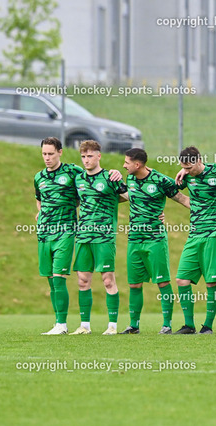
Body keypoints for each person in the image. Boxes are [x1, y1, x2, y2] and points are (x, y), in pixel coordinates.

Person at [120, 148, 190, 334]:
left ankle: (166, 325)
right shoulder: (130, 178)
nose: (124, 165)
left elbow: (182, 198)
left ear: (137, 164)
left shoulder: (160, 180)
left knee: (163, 282)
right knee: (134, 284)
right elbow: (128, 196)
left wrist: (205, 211)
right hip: (134, 239)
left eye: (127, 162)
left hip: (155, 240)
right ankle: (133, 325)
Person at [70, 140, 128, 335]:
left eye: (90, 156)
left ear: (99, 156)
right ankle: (84, 326)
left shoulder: (111, 177)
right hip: (83, 236)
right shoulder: (78, 179)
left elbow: (132, 197)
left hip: (104, 236)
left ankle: (112, 325)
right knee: (82, 281)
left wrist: (156, 213)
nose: (86, 160)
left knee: (108, 280)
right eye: (83, 157)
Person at [173, 146, 216, 335]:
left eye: (189, 167)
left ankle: (208, 326)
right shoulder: (186, 177)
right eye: (183, 167)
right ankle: (189, 325)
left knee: (211, 282)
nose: (186, 171)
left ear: (198, 161)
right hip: (194, 234)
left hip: (214, 234)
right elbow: (170, 190)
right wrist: (184, 171)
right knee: (181, 279)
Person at [35, 137, 82, 335]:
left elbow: (92, 184)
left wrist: (113, 174)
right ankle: (57, 323)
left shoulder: (73, 171)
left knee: (59, 277)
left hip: (65, 231)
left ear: (60, 152)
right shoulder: (39, 177)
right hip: (44, 233)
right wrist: (40, 213)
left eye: (51, 154)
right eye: (44, 154)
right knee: (50, 279)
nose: (47, 158)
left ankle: (62, 324)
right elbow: (39, 199)